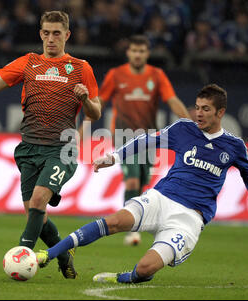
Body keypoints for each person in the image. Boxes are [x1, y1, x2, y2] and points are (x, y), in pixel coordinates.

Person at [36, 84, 248, 284]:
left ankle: (126, 278)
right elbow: (146, 141)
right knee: (115, 221)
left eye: (206, 109)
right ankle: (50, 253)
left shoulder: (234, 146)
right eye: (197, 108)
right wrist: (114, 157)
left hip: (189, 218)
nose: (199, 114)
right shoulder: (184, 129)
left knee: (145, 268)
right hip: (161, 198)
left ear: (220, 113)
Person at [0, 11, 101, 279]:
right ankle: (63, 253)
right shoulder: (28, 62)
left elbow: (96, 113)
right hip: (29, 148)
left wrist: (87, 99)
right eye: (46, 32)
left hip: (61, 149)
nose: (51, 38)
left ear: (67, 35)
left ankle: (22, 255)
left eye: (57, 33)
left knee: (37, 201)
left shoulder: (81, 68)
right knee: (37, 215)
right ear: (40, 34)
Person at [80, 34, 190, 244]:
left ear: (147, 54)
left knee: (141, 182)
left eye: (142, 51)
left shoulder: (157, 75)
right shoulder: (116, 75)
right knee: (131, 179)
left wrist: (187, 123)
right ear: (128, 52)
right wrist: (86, 121)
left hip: (149, 137)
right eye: (134, 51)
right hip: (124, 135)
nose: (138, 55)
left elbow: (172, 100)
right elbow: (100, 101)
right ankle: (131, 231)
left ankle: (133, 220)